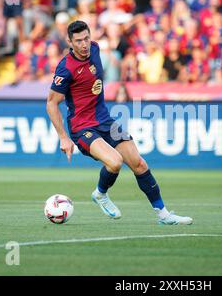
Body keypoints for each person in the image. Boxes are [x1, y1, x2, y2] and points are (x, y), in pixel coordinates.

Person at [46, 21, 193, 225]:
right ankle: (100, 194)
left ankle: (164, 215)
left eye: (86, 38)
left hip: (105, 120)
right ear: (69, 42)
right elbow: (52, 103)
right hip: (82, 127)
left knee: (139, 164)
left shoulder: (96, 49)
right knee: (114, 162)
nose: (84, 44)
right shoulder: (66, 68)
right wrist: (63, 137)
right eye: (78, 41)